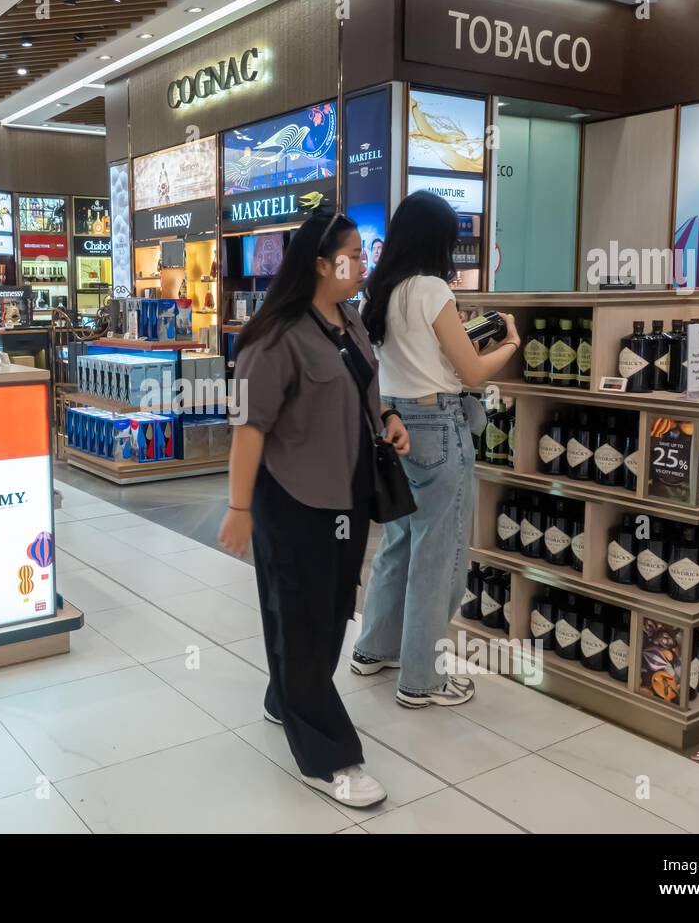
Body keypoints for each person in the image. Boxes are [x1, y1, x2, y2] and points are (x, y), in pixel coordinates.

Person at [219, 211, 409, 809]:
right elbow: (249, 430)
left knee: (331, 613)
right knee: (300, 621)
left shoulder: (348, 319)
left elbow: (366, 387)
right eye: (354, 253)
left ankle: (288, 697)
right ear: (321, 264)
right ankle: (329, 756)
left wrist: (388, 419)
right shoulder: (273, 339)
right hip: (290, 499)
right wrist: (238, 507)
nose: (364, 262)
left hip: (346, 495)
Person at [351, 191, 519, 707]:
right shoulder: (431, 290)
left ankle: (374, 648)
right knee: (440, 554)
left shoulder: (378, 290)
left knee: (400, 541)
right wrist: (509, 343)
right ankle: (422, 679)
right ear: (439, 242)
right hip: (438, 425)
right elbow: (470, 372)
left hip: (394, 419)